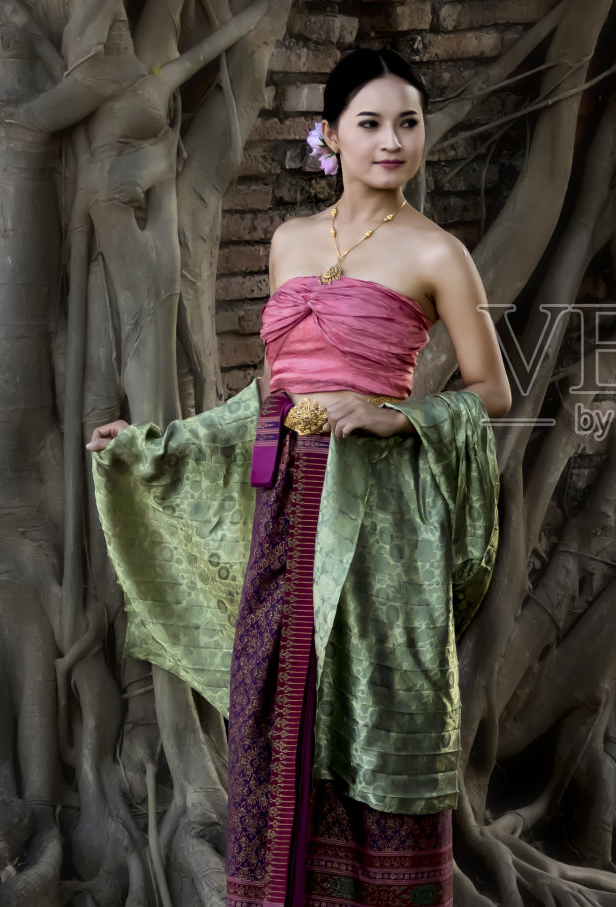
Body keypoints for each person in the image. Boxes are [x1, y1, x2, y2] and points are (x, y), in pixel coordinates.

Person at [88, 47, 512, 907]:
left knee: (375, 707)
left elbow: (493, 390)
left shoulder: (437, 254)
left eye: (409, 122)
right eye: (371, 123)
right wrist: (158, 442)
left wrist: (399, 414)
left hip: (382, 521)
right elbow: (270, 397)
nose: (393, 141)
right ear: (329, 136)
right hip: (288, 509)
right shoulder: (288, 243)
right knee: (275, 701)